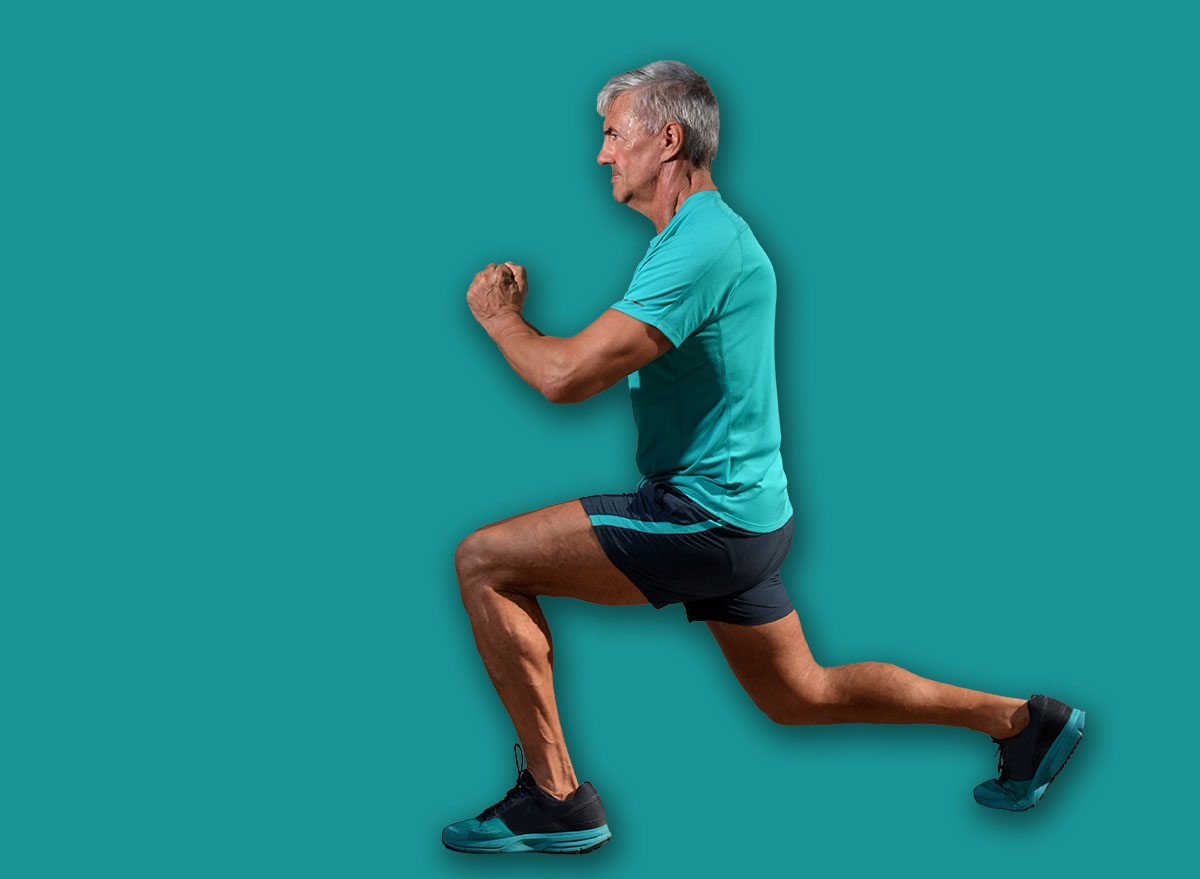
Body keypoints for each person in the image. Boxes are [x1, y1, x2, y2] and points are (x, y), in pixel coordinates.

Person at [442, 60, 1084, 855]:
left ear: (665, 139)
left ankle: (556, 795)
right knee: (801, 693)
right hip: (746, 514)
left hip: (702, 516)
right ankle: (1023, 720)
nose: (602, 155)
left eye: (613, 135)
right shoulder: (696, 239)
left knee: (484, 561)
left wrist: (500, 318)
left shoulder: (701, 245)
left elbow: (565, 376)